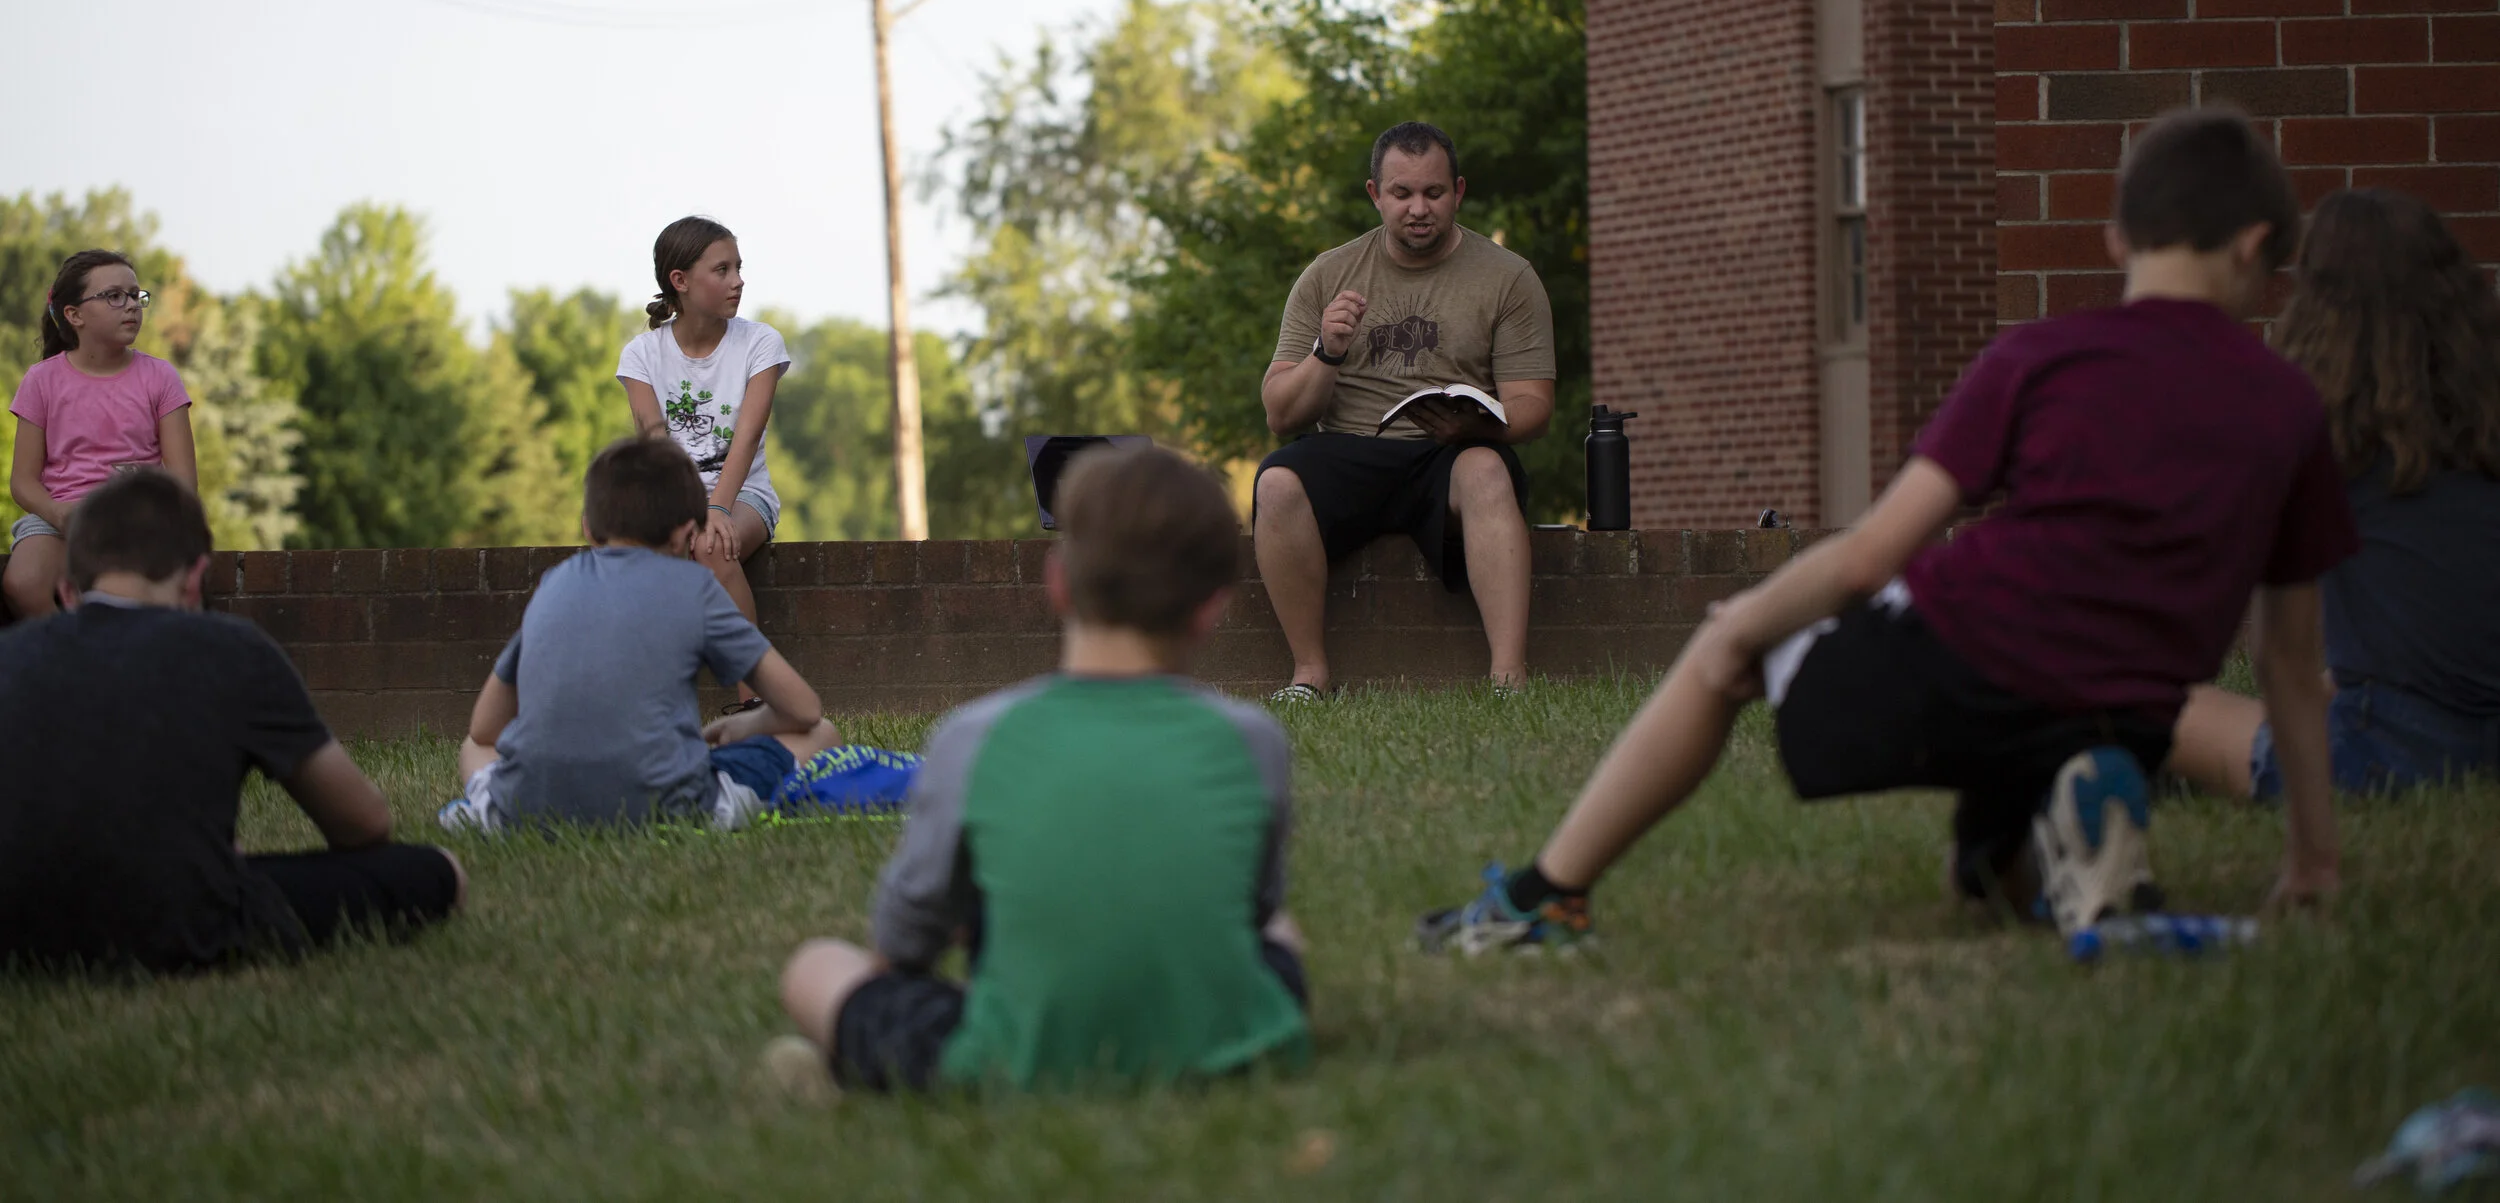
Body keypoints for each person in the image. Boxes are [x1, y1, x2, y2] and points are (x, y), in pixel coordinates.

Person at [1416, 107, 2356, 953]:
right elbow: (2290, 662)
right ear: (2255, 246)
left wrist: (1747, 616)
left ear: (2116, 240)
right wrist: (2313, 863)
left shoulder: (2039, 358)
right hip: (2134, 708)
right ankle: (2074, 792)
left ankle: (1543, 898)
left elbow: (1872, 552)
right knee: (1986, 881)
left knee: (1722, 659)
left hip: (1958, 667)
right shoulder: (2290, 408)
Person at [774, 444, 1311, 1094]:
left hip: (1013, 1059)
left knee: (814, 965)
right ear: (1212, 607)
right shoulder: (1254, 740)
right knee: (1285, 931)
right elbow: (1254, 912)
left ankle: (858, 1062)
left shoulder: (973, 737)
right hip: (1226, 1040)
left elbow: (903, 941)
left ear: (1058, 582)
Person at [0, 470, 464, 971]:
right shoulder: (234, 650)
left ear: (67, 593)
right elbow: (364, 824)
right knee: (440, 871)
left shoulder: (10, 654)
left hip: (17, 937)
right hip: (184, 927)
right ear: (195, 579)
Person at [2169, 189, 2500, 799]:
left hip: (2383, 756)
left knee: (2146, 698)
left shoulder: (2318, 438)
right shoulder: (2484, 432)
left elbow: (2274, 651)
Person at [1253, 121, 1556, 698]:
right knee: (1277, 483)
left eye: (1433, 193)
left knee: (1487, 469)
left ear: (1459, 192)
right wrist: (1327, 351)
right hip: (1350, 451)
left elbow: (1535, 405)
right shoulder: (1326, 274)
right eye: (1402, 193)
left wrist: (1482, 425)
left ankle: (1509, 678)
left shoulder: (1509, 277)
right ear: (1375, 194)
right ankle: (1309, 677)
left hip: (1450, 454)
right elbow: (1281, 415)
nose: (1419, 208)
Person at [442, 435, 839, 832]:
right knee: (821, 734)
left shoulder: (555, 582)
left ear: (588, 528)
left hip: (526, 811)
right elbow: (803, 709)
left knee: (473, 749)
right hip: (673, 809)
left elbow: (483, 729)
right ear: (686, 536)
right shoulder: (695, 588)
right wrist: (745, 726)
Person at [4, 248, 195, 621]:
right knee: (22, 582)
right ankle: (75, 659)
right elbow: (22, 482)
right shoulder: (41, 380)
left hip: (138, 515)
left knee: (140, 590)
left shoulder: (161, 377)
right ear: (74, 315)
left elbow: (184, 484)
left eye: (136, 295)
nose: (132, 306)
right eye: (113, 296)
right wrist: (60, 514)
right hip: (60, 516)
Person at [618, 215, 791, 624]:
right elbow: (656, 445)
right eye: (722, 270)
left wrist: (717, 510)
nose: (738, 281)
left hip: (744, 494)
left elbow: (747, 436)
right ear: (680, 280)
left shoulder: (761, 343)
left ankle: (751, 688)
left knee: (711, 546)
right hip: (673, 494)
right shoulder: (641, 355)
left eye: (738, 268)